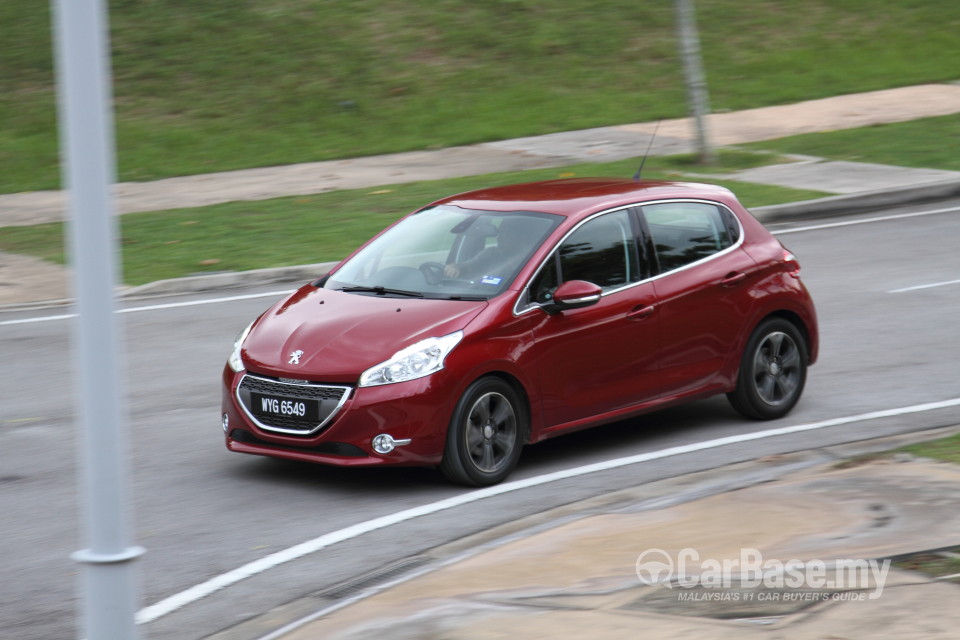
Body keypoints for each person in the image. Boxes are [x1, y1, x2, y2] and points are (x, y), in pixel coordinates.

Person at [444, 217, 534, 281]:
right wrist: (455, 268)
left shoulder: (531, 259)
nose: (499, 238)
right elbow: (468, 266)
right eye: (499, 233)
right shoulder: (491, 253)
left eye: (506, 234)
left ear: (522, 238)